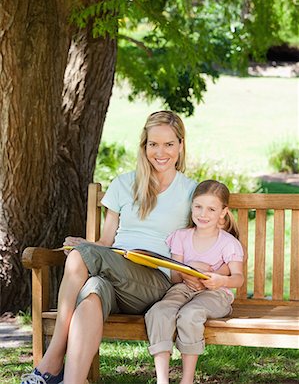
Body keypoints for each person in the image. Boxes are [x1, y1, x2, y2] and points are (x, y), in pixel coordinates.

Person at [21, 110, 197, 384]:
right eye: (153, 144)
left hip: (154, 284)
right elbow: (106, 243)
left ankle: (52, 359)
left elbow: (203, 242)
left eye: (169, 144)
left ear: (181, 145)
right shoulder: (124, 184)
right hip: (114, 275)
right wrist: (89, 247)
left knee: (83, 257)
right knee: (92, 294)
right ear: (144, 146)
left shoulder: (190, 192)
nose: (160, 152)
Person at [144, 179, 244, 384]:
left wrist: (220, 280)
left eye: (211, 209)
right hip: (182, 289)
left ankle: (186, 380)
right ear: (191, 206)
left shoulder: (228, 243)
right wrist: (191, 269)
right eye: (198, 207)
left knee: (190, 314)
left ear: (223, 212)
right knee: (159, 312)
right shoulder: (181, 237)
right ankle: (162, 379)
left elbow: (238, 279)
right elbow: (174, 277)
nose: (203, 214)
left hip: (215, 295)